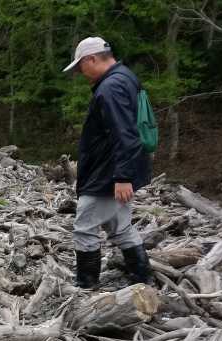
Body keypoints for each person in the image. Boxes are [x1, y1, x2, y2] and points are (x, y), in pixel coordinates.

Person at [64, 37, 153, 288]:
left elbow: (125, 133)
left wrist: (122, 177)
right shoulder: (125, 77)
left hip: (108, 171)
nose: (81, 73)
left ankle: (86, 285)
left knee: (84, 227)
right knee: (120, 225)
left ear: (92, 59)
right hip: (116, 168)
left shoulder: (111, 87)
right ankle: (142, 278)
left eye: (81, 66)